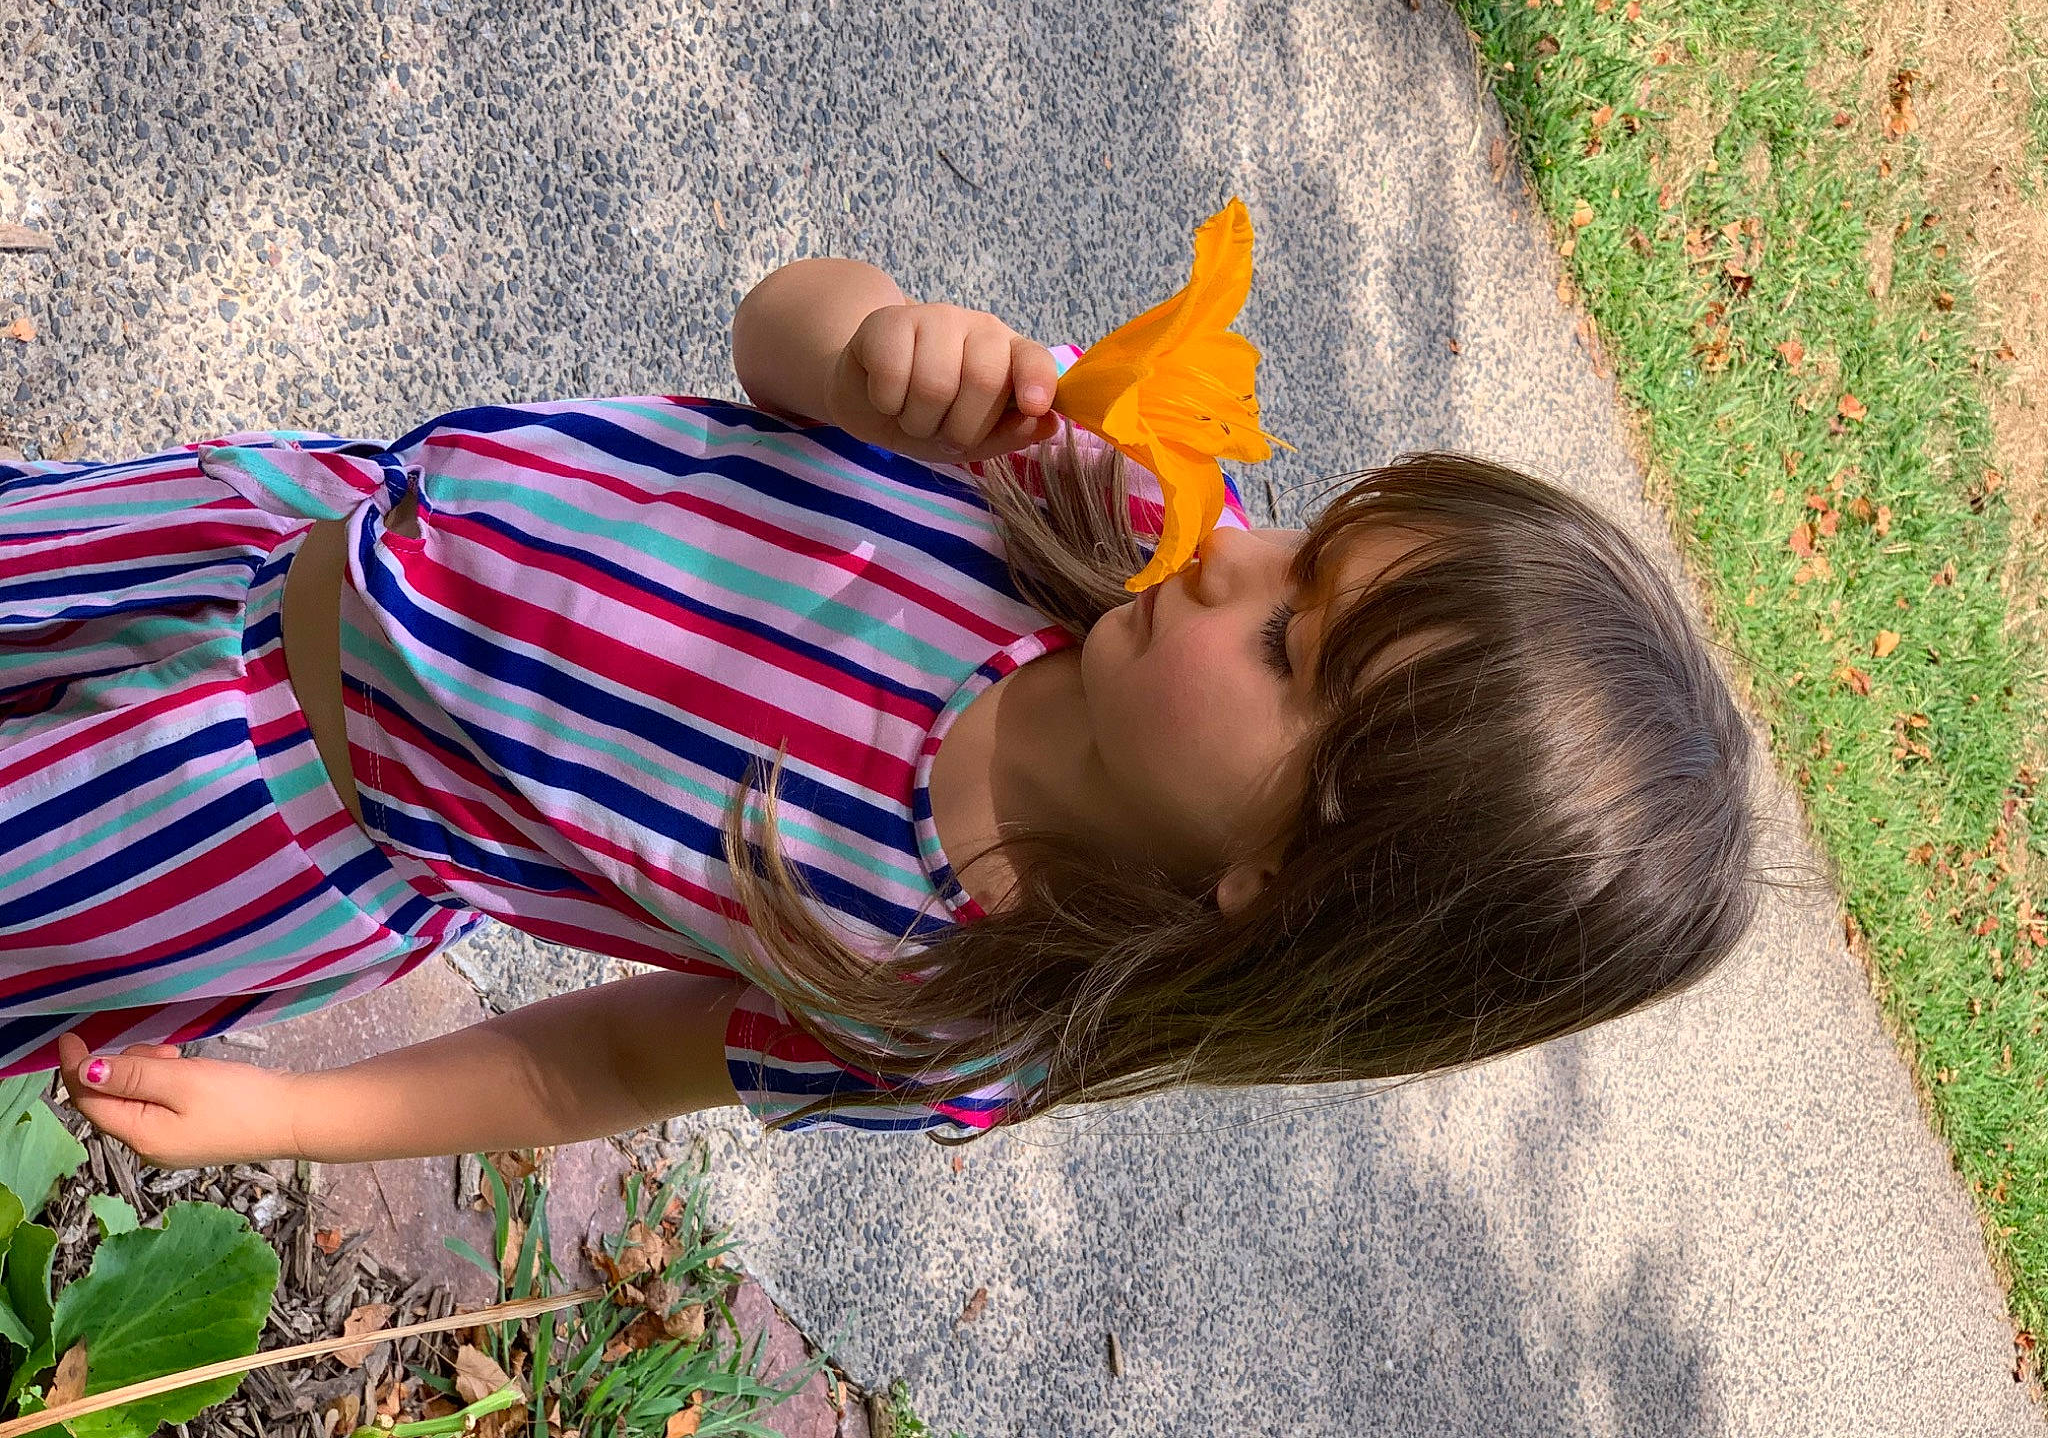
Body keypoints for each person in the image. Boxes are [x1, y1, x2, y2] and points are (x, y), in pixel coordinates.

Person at [3, 256, 1763, 1167]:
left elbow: (588, 1064)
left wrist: (285, 1117)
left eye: (1293, 651)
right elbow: (776, 335)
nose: (1240, 562)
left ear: (1283, 887)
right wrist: (872, 344)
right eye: (1315, 547)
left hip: (243, 829)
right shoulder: (1075, 494)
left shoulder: (949, 1005)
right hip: (244, 529)